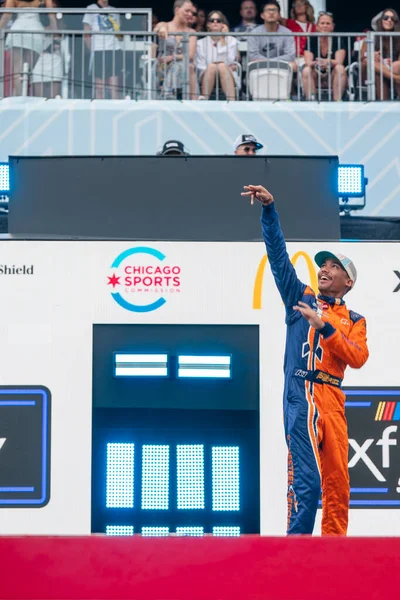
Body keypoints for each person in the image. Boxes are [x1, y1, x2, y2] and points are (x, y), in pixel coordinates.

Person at [241, 183, 369, 536]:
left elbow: (358, 357)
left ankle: (332, 562)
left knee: (338, 489)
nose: (324, 269)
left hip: (334, 401)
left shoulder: (354, 319)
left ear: (348, 281)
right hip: (302, 394)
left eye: (333, 266)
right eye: (322, 265)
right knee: (307, 485)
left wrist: (324, 326)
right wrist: (270, 211)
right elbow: (279, 256)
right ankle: (294, 555)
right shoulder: (300, 298)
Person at [0, 0, 57, 96]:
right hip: (35, 32)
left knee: (17, 70)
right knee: (28, 71)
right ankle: (21, 95)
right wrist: (56, 34)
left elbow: (6, 17)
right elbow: (52, 17)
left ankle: (18, 97)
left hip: (18, 30)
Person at [154, 0, 198, 100]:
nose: (190, 14)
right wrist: (162, 28)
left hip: (183, 69)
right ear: (177, 10)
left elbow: (190, 55)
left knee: (181, 65)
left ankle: (169, 94)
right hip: (163, 67)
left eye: (192, 12)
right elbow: (157, 28)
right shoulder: (165, 26)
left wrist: (172, 57)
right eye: (187, 11)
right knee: (179, 65)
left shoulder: (192, 32)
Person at [302, 12, 348, 101]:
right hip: (316, 74)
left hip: (332, 74)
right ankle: (311, 100)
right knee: (306, 70)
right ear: (317, 26)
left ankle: (337, 101)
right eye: (322, 23)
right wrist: (318, 63)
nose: (325, 26)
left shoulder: (337, 39)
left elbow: (339, 61)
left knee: (340, 68)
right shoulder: (312, 39)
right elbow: (308, 62)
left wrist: (327, 62)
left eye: (328, 23)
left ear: (332, 26)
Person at [83, 0, 123, 99]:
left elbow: (118, 32)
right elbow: (86, 32)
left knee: (114, 87)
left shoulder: (114, 10)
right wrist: (92, 49)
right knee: (100, 87)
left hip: (114, 49)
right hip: (98, 50)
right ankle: (99, 111)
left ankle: (116, 111)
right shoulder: (91, 8)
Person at [196, 11, 240, 100]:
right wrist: (214, 66)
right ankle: (204, 100)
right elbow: (200, 65)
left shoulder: (232, 40)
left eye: (219, 20)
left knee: (222, 67)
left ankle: (232, 102)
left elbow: (230, 60)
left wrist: (224, 38)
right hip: (206, 73)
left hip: (227, 72)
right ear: (208, 24)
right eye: (212, 20)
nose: (215, 22)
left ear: (223, 24)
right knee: (212, 67)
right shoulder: (200, 43)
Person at [361, 8, 400, 100]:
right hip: (373, 73)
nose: (389, 20)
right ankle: (396, 78)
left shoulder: (399, 38)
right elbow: (362, 57)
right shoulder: (371, 36)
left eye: (392, 18)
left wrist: (390, 64)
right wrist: (370, 54)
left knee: (396, 65)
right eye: (386, 17)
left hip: (393, 69)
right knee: (368, 60)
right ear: (381, 20)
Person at [247, 1, 295, 66]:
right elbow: (253, 55)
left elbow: (290, 55)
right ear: (262, 15)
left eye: (274, 10)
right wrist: (268, 62)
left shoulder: (287, 32)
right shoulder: (254, 33)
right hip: (260, 65)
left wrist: (272, 61)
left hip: (281, 65)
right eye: (268, 10)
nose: (271, 13)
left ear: (278, 15)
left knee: (293, 65)